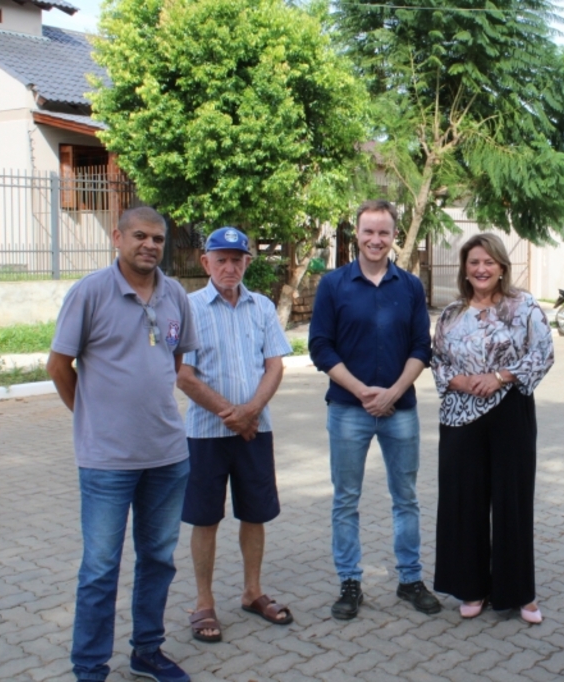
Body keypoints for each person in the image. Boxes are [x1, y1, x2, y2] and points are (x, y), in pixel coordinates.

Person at [46, 207, 197, 682]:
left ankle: (146, 651)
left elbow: (175, 362)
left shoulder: (175, 295)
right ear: (117, 237)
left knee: (157, 559)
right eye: (139, 236)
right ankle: (90, 667)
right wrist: (93, 419)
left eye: (157, 238)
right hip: (107, 462)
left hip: (168, 457)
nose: (149, 245)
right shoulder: (90, 292)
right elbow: (58, 366)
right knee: (99, 569)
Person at [308, 199, 440, 620]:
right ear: (357, 233)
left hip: (400, 410)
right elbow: (320, 346)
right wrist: (364, 391)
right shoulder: (334, 285)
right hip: (348, 409)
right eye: (368, 231)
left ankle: (410, 579)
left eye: (384, 232)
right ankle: (350, 582)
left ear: (393, 236)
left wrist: (394, 391)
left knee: (406, 498)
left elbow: (423, 346)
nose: (375, 240)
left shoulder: (411, 286)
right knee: (346, 499)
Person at [176, 227, 293, 643]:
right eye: (220, 259)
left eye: (237, 259)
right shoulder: (187, 308)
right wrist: (232, 414)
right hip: (207, 435)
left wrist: (251, 412)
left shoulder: (261, 307)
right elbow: (183, 374)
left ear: (247, 263)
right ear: (205, 262)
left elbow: (275, 366)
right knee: (205, 517)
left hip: (255, 431)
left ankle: (252, 591)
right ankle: (204, 602)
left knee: (255, 512)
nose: (229, 267)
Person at [431, 234, 555, 624]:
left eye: (488, 262)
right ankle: (471, 588)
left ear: (502, 266)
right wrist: (462, 382)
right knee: (463, 502)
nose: (481, 269)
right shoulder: (450, 314)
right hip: (458, 417)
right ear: (464, 270)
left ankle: (520, 594)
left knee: (511, 502)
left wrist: (500, 376)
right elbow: (436, 362)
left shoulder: (524, 306)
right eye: (473, 263)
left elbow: (544, 352)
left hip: (509, 413)